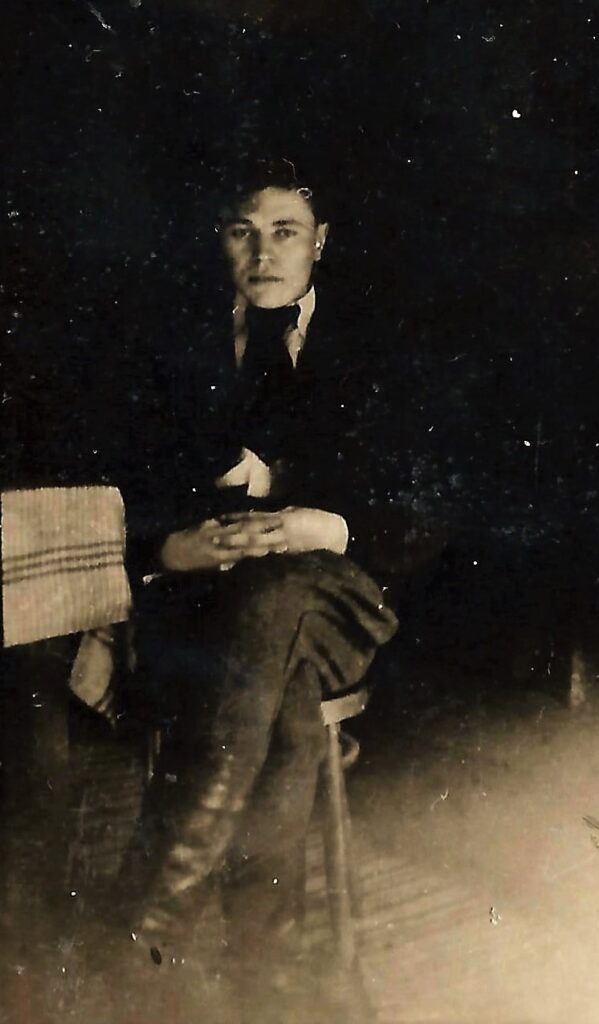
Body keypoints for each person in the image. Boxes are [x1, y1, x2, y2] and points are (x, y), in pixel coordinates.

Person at [109, 160, 409, 1016]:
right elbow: (122, 482)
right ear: (220, 241)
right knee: (279, 689)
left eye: (285, 231)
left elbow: (427, 503)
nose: (263, 252)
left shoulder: (378, 346)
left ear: (320, 242)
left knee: (273, 608)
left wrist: (324, 526)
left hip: (337, 591)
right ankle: (263, 958)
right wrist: (170, 548)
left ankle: (144, 924)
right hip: (205, 602)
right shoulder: (174, 347)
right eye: (243, 231)